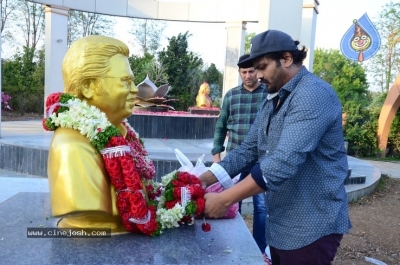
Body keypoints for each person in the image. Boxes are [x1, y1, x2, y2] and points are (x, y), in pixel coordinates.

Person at [200, 29, 352, 265]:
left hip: (311, 226)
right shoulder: (274, 99)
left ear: (287, 59)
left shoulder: (313, 94)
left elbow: (282, 162)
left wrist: (224, 199)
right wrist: (203, 180)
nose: (257, 75)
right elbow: (248, 150)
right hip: (281, 222)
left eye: (262, 67)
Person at [47, 35, 142, 233]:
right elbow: (85, 206)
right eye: (125, 81)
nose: (135, 90)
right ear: (88, 86)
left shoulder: (121, 134)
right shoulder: (71, 145)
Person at [211, 54, 268, 257]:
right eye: (243, 72)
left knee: (261, 207)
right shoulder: (232, 95)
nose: (248, 75)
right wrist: (217, 156)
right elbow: (221, 125)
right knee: (230, 204)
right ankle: (229, 247)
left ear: (257, 71)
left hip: (261, 161)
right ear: (239, 73)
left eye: (251, 71)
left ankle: (259, 250)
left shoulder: (268, 94)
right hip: (234, 159)